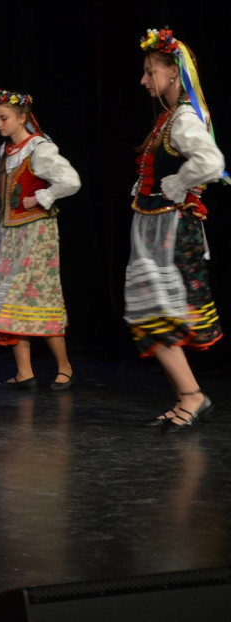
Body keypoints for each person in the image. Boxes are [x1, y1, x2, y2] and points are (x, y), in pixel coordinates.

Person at [131, 28, 224, 430]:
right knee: (152, 315)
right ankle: (186, 397)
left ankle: (192, 396)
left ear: (174, 72)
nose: (144, 80)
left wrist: (179, 183)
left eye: (151, 72)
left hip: (171, 229)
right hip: (158, 226)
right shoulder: (172, 117)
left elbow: (210, 161)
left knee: (155, 316)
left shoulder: (184, 117)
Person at [0, 89, 81, 390]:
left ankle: (65, 366)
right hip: (10, 231)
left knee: (41, 296)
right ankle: (24, 372)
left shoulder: (39, 148)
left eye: (5, 119)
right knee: (9, 300)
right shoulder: (6, 151)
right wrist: (0, 201)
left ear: (22, 118)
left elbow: (71, 181)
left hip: (37, 233)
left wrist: (43, 196)